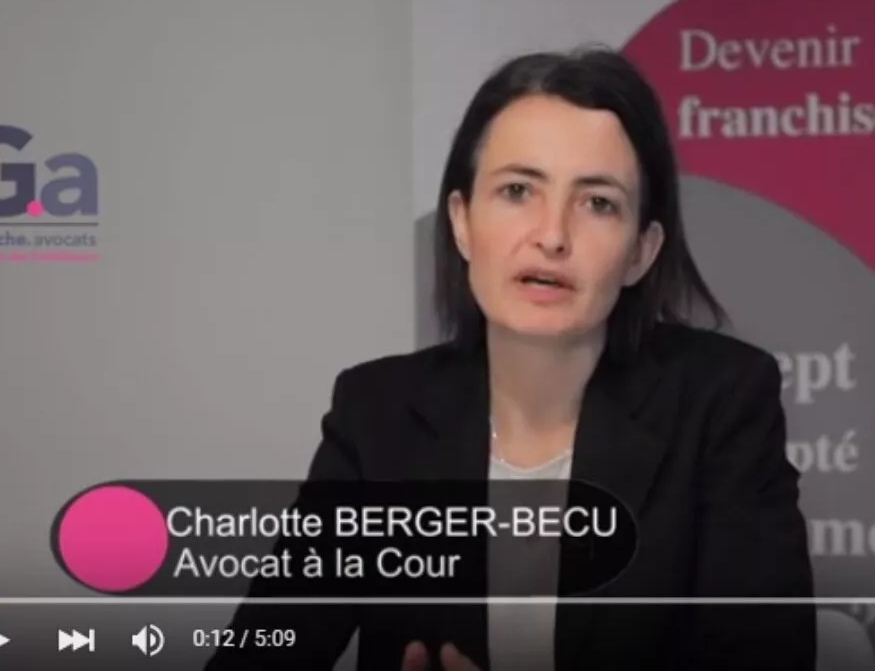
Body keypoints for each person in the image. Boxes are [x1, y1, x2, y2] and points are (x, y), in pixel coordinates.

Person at [205, 45, 815, 670]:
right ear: (462, 222)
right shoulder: (377, 415)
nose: (552, 235)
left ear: (641, 251)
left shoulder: (721, 403)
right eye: (518, 190)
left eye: (598, 202)